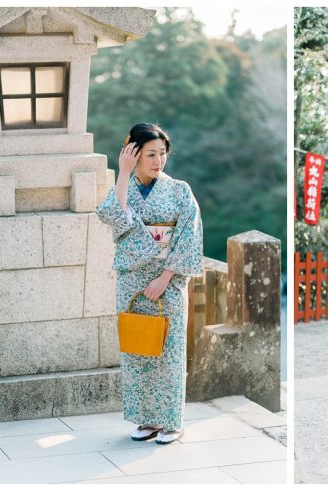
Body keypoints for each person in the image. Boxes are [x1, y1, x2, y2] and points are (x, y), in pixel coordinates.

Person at [95, 122, 203, 444]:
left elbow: (188, 235)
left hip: (167, 280)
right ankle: (146, 419)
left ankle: (171, 421)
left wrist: (165, 277)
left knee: (168, 351)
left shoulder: (179, 190)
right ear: (133, 153)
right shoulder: (123, 186)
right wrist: (121, 172)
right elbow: (113, 217)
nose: (159, 161)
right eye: (151, 154)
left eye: (163, 154)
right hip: (131, 280)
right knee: (137, 349)